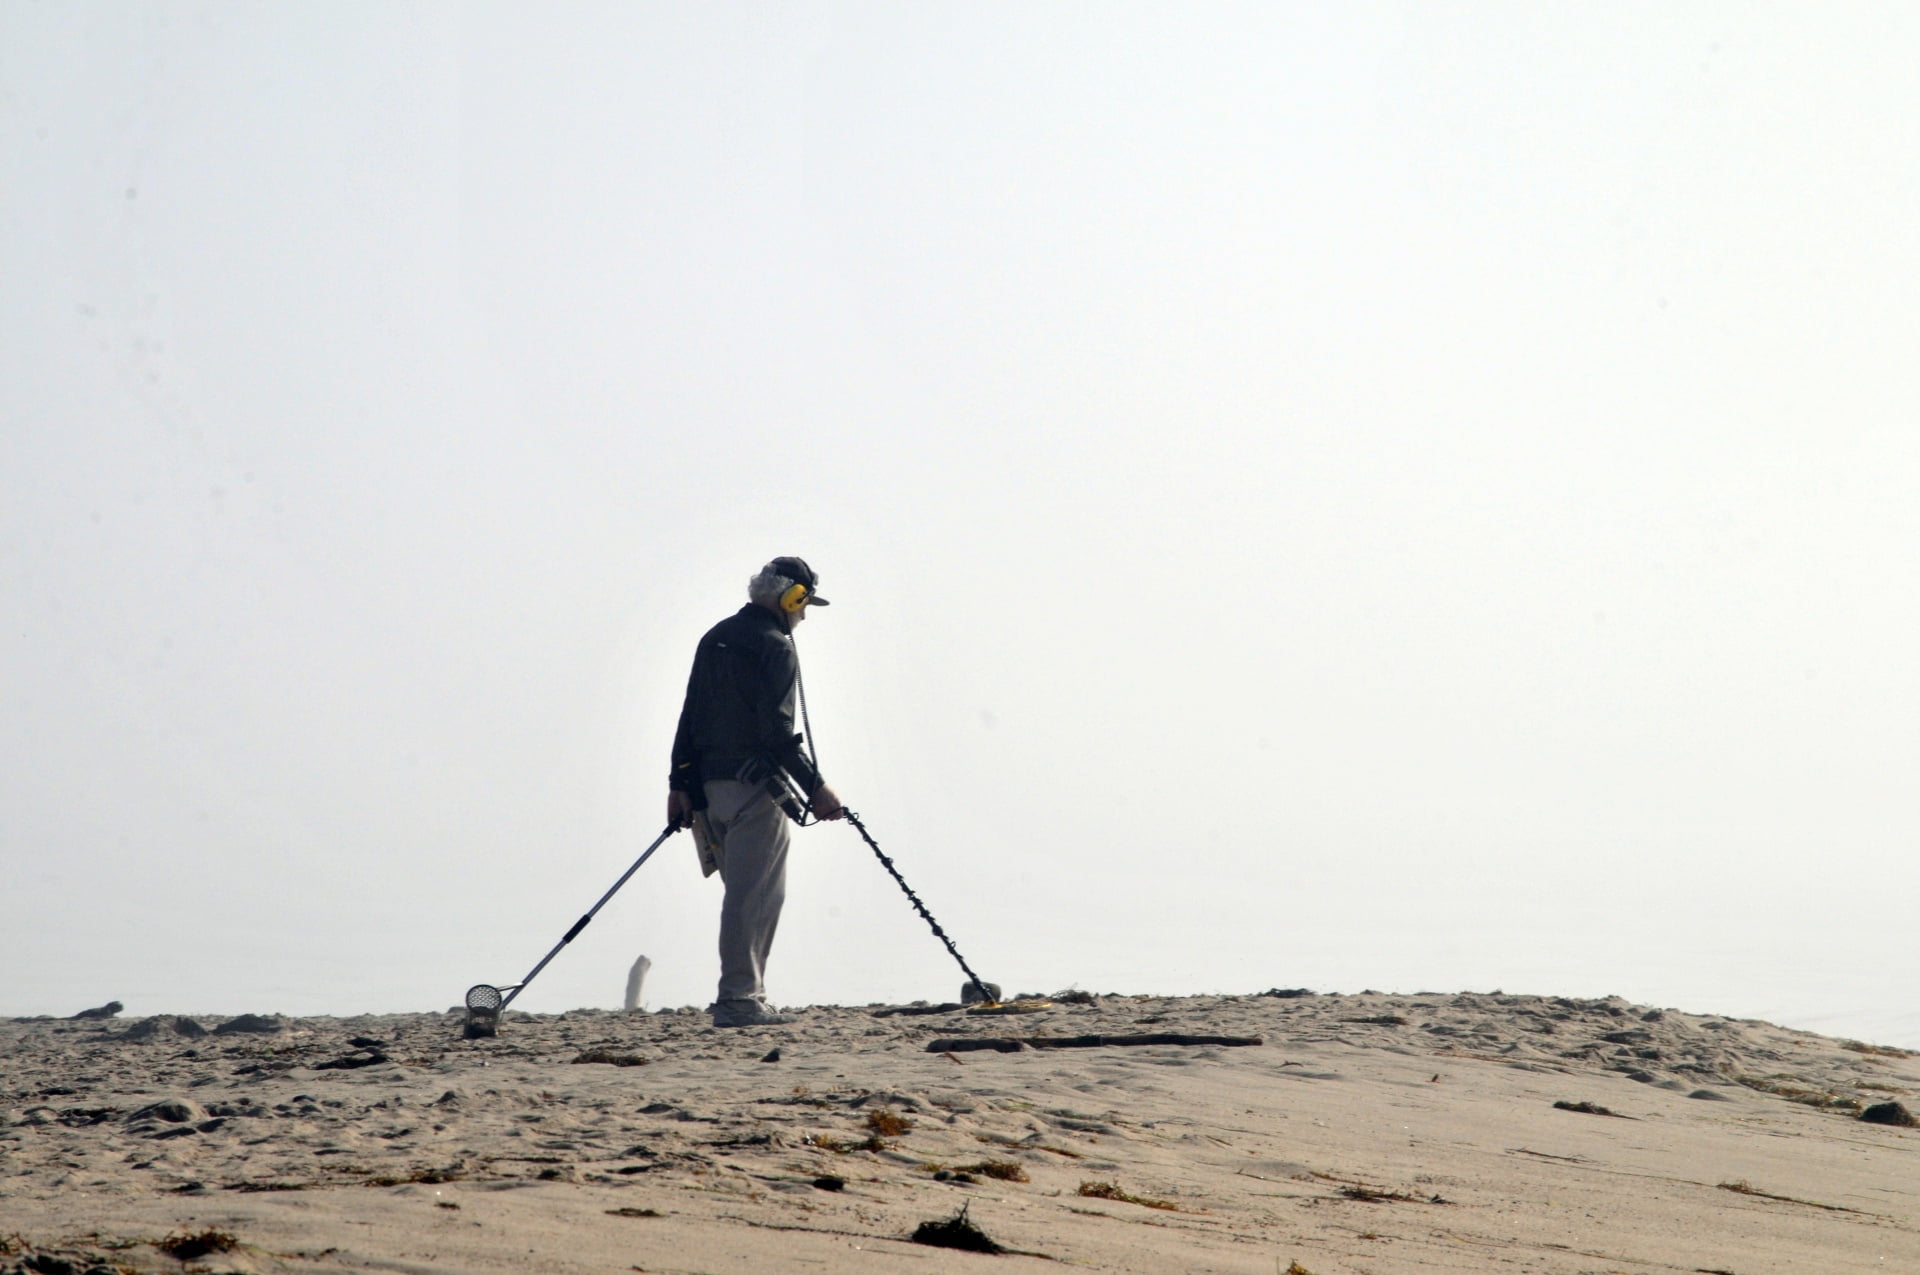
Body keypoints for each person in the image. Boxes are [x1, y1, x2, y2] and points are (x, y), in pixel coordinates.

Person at [667, 556, 844, 1028]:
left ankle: (744, 995)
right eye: (805, 605)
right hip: (753, 793)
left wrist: (678, 784)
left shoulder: (715, 636)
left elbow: (689, 716)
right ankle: (740, 1000)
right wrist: (817, 789)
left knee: (741, 897)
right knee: (755, 897)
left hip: (707, 792)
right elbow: (776, 735)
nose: (804, 615)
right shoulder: (776, 647)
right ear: (793, 598)